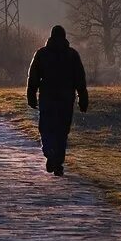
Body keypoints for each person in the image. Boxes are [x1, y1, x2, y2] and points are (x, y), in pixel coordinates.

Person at [26, 25, 88, 176]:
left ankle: (49, 153)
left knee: (46, 128)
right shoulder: (72, 55)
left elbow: (33, 77)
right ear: (65, 37)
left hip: (47, 98)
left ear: (51, 36)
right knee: (62, 131)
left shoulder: (41, 54)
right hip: (66, 100)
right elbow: (80, 79)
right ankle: (58, 161)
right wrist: (83, 98)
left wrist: (31, 95)